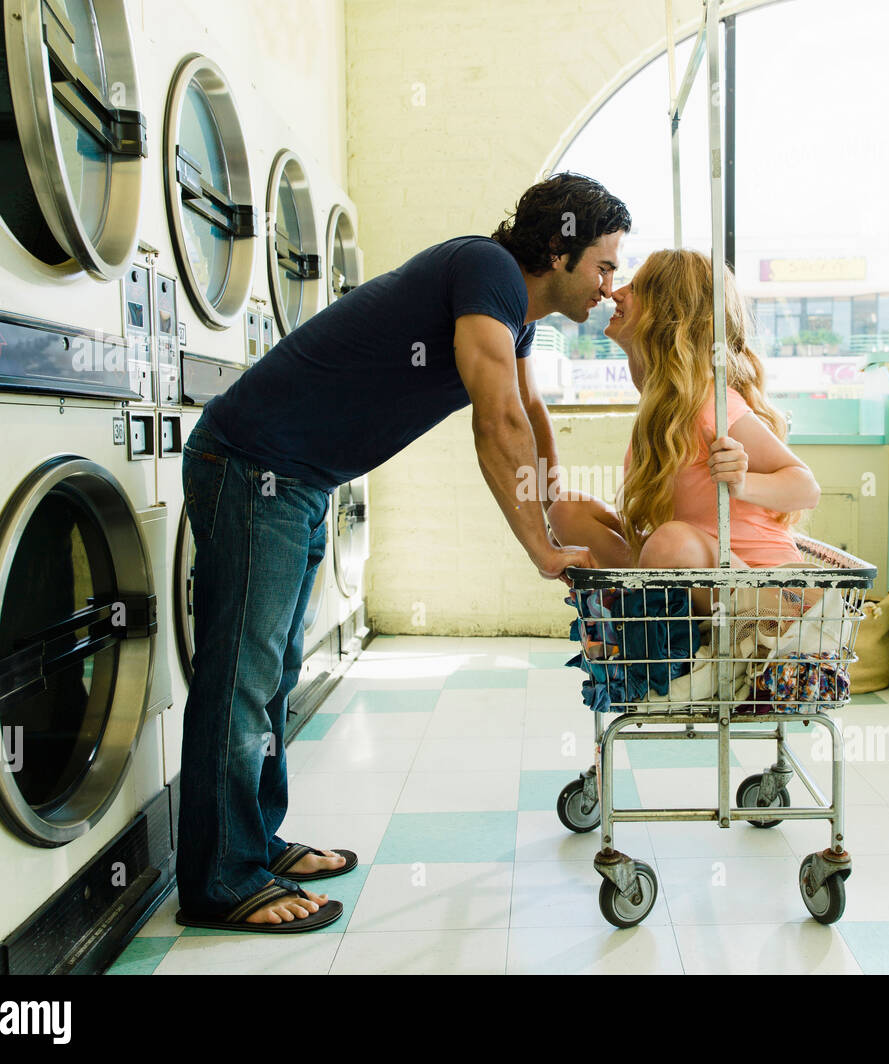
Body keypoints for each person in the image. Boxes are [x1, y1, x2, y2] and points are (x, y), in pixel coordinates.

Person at [176, 173, 630, 932]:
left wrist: (557, 510)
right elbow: (496, 422)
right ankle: (221, 881)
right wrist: (539, 549)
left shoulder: (514, 314)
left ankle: (254, 842)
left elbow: (529, 415)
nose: (611, 288)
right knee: (242, 681)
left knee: (273, 672)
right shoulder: (486, 269)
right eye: (605, 267)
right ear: (559, 251)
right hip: (253, 465)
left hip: (297, 480)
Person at [548, 248, 819, 607]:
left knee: (670, 541)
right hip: (692, 579)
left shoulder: (712, 407)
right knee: (567, 510)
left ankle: (657, 622)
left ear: (667, 314)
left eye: (638, 287)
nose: (615, 292)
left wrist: (741, 483)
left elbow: (805, 488)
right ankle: (650, 614)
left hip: (761, 590)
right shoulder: (660, 410)